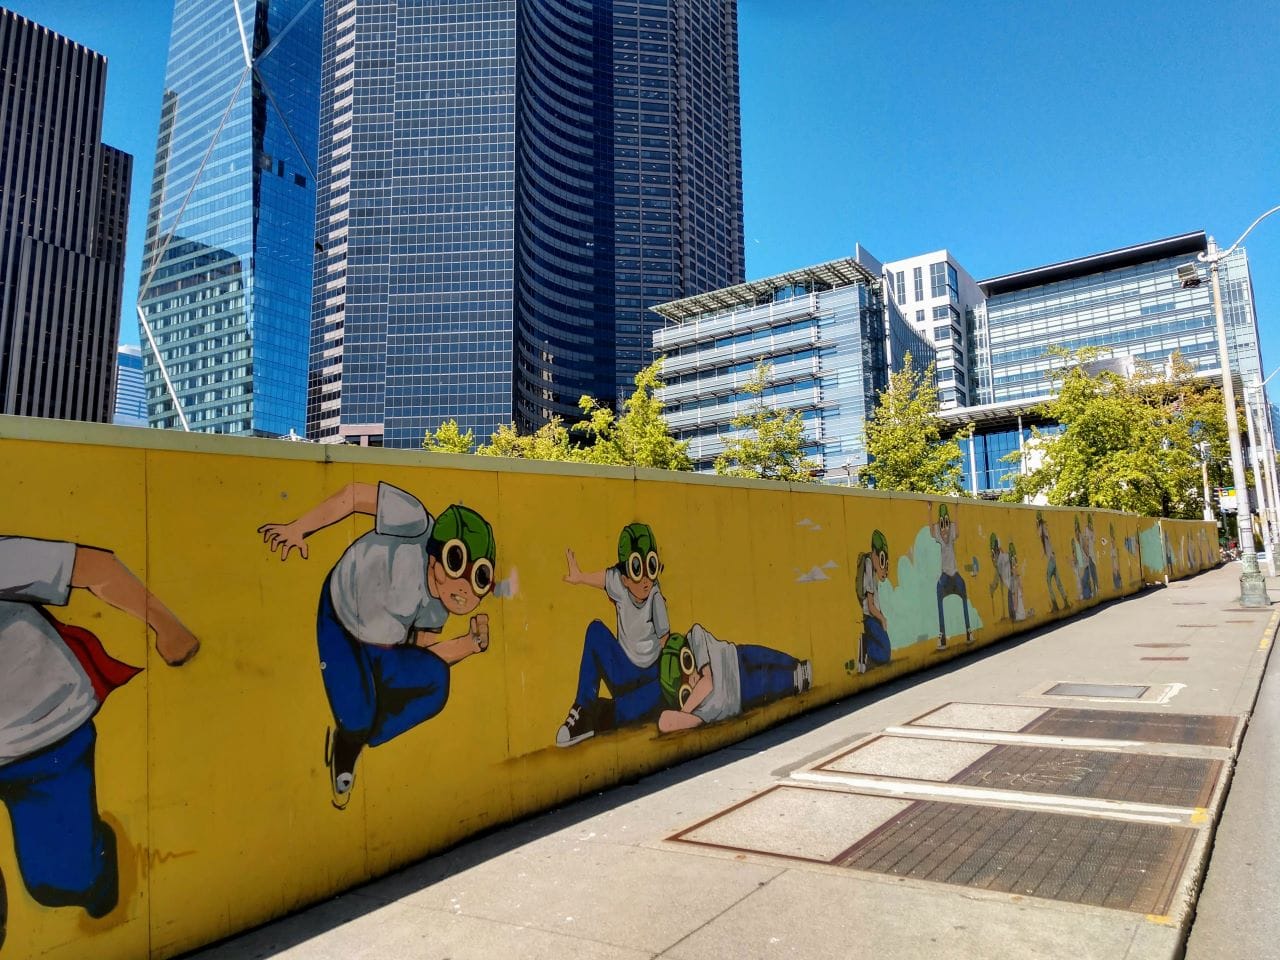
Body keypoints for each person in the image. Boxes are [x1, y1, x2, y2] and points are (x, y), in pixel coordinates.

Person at [0, 536, 197, 942]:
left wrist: (168, 627)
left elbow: (94, 567)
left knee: (61, 884)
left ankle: (93, 861)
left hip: (41, 733)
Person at [259, 481, 495, 809]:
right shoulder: (413, 520)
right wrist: (299, 528)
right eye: (456, 562)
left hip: (384, 646)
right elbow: (355, 496)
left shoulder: (438, 605)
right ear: (436, 556)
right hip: (342, 622)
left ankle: (355, 735)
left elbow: (422, 658)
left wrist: (469, 644)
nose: (464, 588)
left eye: (479, 579)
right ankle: (350, 735)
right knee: (357, 718)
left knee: (436, 684)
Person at [557, 523, 669, 746]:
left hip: (650, 674)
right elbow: (605, 578)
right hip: (623, 670)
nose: (646, 579)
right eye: (638, 569)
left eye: (651, 567)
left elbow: (665, 640)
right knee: (595, 630)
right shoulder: (619, 584)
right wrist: (580, 577)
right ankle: (585, 708)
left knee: (660, 695)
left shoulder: (655, 596)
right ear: (625, 577)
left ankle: (607, 713)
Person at [656, 625, 811, 731]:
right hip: (740, 692)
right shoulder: (697, 712)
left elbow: (707, 681)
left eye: (687, 663)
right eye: (685, 690)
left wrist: (684, 710)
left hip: (737, 655)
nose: (692, 680)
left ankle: (796, 665)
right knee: (775, 681)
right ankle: (799, 678)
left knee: (770, 657)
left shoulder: (695, 637)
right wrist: (685, 712)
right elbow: (665, 722)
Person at [927, 502, 973, 649]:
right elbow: (932, 531)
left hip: (954, 573)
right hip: (945, 575)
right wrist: (929, 510)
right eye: (942, 525)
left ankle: (968, 631)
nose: (945, 529)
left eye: (947, 524)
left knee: (963, 593)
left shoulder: (952, 534)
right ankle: (942, 636)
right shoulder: (940, 536)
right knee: (938, 593)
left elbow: (957, 529)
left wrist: (956, 510)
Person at [853, 530, 891, 673]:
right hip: (871, 617)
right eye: (882, 560)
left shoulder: (872, 569)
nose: (884, 568)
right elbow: (870, 604)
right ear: (874, 553)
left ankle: (866, 656)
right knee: (886, 653)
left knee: (885, 650)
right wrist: (882, 619)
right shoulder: (869, 566)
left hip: (874, 616)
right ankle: (865, 644)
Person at [1036, 512, 1071, 612]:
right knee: (1058, 582)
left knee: (1049, 582)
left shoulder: (1044, 533)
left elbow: (1039, 533)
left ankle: (1055, 604)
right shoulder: (1045, 536)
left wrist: (1039, 524)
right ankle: (1066, 602)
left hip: (1051, 559)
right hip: (1053, 558)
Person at [988, 532, 1014, 622]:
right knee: (1003, 590)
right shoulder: (995, 552)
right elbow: (995, 562)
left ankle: (1008, 613)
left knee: (1006, 592)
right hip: (1001, 571)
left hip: (1003, 571)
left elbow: (1001, 558)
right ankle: (1005, 613)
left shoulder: (999, 552)